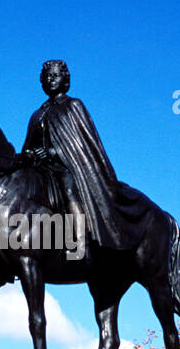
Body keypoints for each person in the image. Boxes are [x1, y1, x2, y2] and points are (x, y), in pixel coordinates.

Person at [20, 60, 145, 250]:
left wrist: (52, 152)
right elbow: (28, 146)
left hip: (67, 168)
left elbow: (83, 147)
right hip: (42, 170)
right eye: (47, 76)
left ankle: (78, 241)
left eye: (55, 75)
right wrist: (27, 156)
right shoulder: (37, 115)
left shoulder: (73, 106)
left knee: (68, 188)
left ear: (65, 79)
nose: (50, 79)